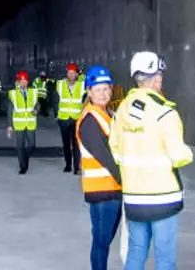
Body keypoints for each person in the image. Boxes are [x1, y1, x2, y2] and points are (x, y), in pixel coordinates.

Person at [112, 51, 193, 270]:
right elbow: (179, 156)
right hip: (163, 197)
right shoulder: (165, 113)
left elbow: (116, 152)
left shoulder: (121, 112)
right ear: (156, 78)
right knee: (164, 257)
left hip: (134, 196)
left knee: (136, 251)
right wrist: (188, 154)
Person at [77, 64, 122, 270]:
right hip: (103, 190)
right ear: (89, 91)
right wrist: (128, 181)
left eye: (106, 89)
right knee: (102, 242)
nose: (103, 94)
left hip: (110, 189)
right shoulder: (89, 119)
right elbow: (106, 157)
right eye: (98, 90)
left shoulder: (107, 114)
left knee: (102, 240)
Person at [56, 63, 87, 174]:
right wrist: (56, 115)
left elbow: (89, 92)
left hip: (76, 119)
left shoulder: (81, 85)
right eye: (69, 73)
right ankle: (68, 164)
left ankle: (76, 167)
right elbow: (55, 99)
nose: (71, 75)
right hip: (63, 118)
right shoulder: (60, 84)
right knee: (66, 144)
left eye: (73, 73)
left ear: (76, 74)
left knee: (76, 143)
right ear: (66, 74)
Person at [6, 71, 39, 174]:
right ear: (18, 82)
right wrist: (9, 125)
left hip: (30, 123)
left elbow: (37, 104)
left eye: (25, 81)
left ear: (28, 82)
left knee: (32, 145)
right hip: (19, 124)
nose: (23, 84)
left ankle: (25, 158)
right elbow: (10, 111)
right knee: (20, 146)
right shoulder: (13, 94)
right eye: (21, 82)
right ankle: (23, 166)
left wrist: (36, 110)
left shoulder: (33, 92)